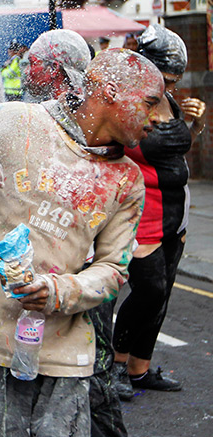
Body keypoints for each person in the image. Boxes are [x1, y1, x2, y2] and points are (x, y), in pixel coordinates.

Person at [0, 48, 164, 437]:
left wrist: (58, 292)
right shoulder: (18, 122)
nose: (160, 116)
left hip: (65, 358)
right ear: (110, 92)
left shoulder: (125, 179)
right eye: (150, 102)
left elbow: (113, 270)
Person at [21, 29, 137, 437]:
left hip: (84, 271)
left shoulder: (90, 118)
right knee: (40, 368)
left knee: (94, 372)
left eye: (36, 64)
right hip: (43, 270)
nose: (28, 72)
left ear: (55, 70)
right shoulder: (38, 115)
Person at [112, 24, 207, 398]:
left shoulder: (168, 101)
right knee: (148, 289)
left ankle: (140, 369)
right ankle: (116, 364)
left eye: (174, 80)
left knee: (163, 293)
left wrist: (196, 123)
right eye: (165, 78)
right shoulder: (126, 100)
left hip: (176, 213)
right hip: (144, 213)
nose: (170, 86)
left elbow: (176, 150)